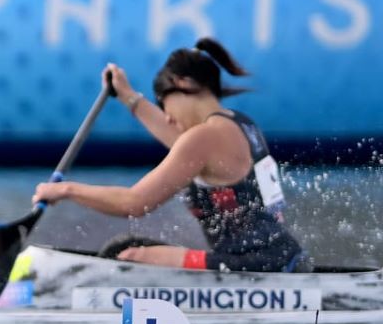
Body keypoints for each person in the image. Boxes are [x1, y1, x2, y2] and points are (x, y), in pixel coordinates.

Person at [31, 38, 310, 273]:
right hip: (278, 258)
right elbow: (177, 139)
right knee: (125, 248)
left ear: (182, 83)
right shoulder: (238, 124)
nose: (168, 118)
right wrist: (127, 95)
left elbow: (134, 203)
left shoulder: (204, 138)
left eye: (165, 106)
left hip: (253, 268)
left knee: (130, 256)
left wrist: (66, 189)